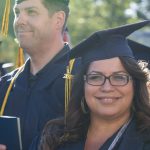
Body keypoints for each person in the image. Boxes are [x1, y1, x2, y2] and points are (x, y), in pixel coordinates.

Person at [39, 20, 150, 150]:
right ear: (83, 85)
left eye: (119, 77)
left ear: (135, 85)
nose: (107, 87)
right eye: (96, 77)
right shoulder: (54, 137)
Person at [0, 0, 78, 150]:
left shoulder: (86, 80)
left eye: (31, 12)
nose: (19, 21)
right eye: (17, 13)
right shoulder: (6, 85)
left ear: (58, 20)